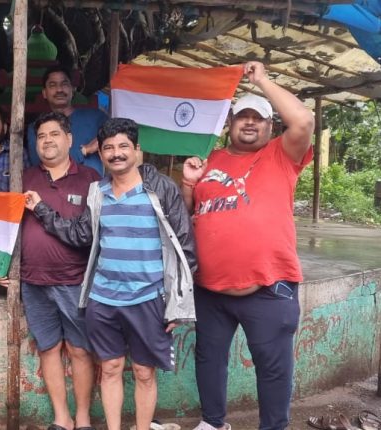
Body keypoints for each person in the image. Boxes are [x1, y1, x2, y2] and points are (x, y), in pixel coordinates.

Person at [25, 117, 196, 430]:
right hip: (103, 299)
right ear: (101, 153)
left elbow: (184, 245)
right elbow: (79, 234)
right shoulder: (98, 192)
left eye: (123, 146)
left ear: (137, 149)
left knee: (144, 372)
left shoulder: (160, 189)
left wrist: (177, 300)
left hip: (149, 297)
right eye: (108, 148)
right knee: (111, 367)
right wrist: (41, 209)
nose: (116, 153)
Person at [181, 61, 314, 430]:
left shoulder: (281, 155)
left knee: (273, 369)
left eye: (259, 118)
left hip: (267, 288)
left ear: (271, 127)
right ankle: (213, 423)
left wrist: (262, 80)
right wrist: (189, 184)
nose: (250, 123)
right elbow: (188, 214)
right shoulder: (210, 160)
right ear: (230, 123)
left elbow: (303, 121)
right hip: (211, 290)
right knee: (209, 360)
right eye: (243, 116)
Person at [20, 112, 99, 430]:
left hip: (74, 280)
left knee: (80, 350)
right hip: (33, 281)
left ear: (69, 139)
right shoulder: (24, 177)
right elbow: (7, 226)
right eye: (41, 136)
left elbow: (89, 232)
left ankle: (83, 418)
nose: (47, 140)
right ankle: (62, 418)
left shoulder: (90, 179)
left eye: (54, 134)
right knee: (49, 348)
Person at [27, 65, 108, 176]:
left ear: (73, 90)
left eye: (64, 84)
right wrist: (85, 150)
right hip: (53, 186)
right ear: (44, 93)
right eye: (52, 85)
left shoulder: (96, 117)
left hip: (93, 185)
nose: (59, 90)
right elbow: (40, 164)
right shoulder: (36, 127)